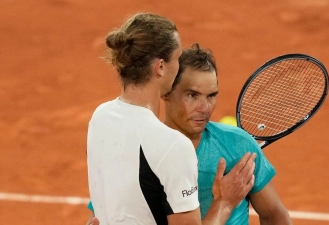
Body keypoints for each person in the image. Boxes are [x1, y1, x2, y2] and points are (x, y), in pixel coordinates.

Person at [87, 42, 292, 224]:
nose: (205, 107)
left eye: (211, 95)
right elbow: (104, 212)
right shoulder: (141, 147)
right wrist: (225, 202)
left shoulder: (237, 146)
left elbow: (275, 216)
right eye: (192, 95)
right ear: (166, 93)